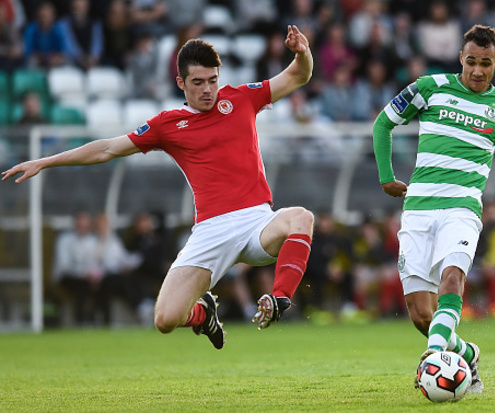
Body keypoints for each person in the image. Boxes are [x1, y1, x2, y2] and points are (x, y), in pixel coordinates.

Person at [2, 25, 314, 350]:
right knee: (165, 319)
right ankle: (203, 314)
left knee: (301, 218)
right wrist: (45, 161)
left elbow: (298, 76)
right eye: (197, 82)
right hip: (212, 230)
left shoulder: (241, 97)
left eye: (212, 80)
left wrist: (302, 53)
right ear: (181, 83)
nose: (207, 90)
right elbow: (108, 148)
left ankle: (279, 300)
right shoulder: (168, 124)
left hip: (256, 221)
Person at [372, 25, 495, 394]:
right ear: (460, 59)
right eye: (471, 62)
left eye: (486, 63)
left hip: (462, 208)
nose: (478, 70)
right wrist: (386, 176)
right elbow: (384, 122)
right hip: (417, 209)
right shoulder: (429, 88)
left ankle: (432, 358)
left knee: (453, 278)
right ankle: (466, 354)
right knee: (422, 314)